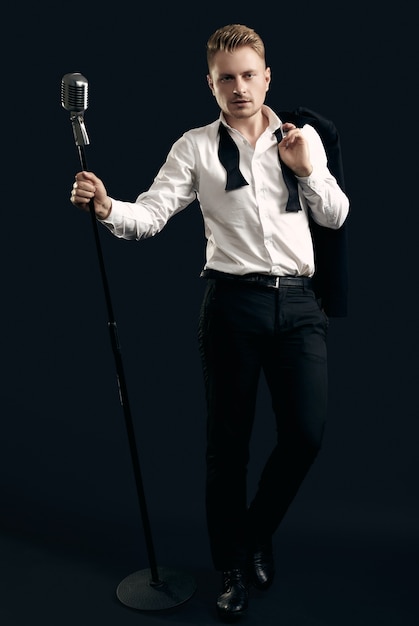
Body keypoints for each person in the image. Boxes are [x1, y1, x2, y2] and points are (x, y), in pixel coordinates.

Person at [70, 23, 349, 621]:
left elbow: (336, 214)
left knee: (306, 435)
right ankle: (231, 566)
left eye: (250, 75)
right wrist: (106, 206)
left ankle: (255, 533)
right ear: (211, 84)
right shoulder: (194, 147)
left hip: (299, 305)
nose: (240, 87)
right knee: (229, 447)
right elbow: (150, 214)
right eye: (227, 79)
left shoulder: (303, 138)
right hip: (232, 306)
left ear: (267, 76)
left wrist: (307, 168)